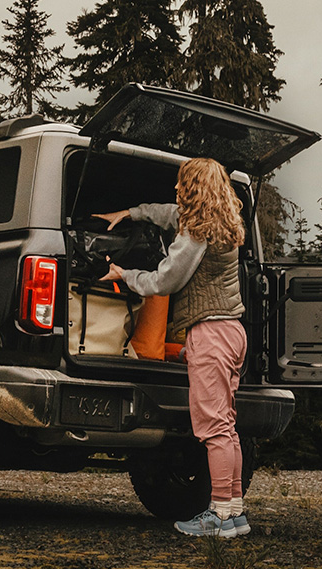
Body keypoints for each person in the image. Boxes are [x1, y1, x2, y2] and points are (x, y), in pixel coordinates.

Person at [94, 157, 249, 538]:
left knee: (213, 430)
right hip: (232, 331)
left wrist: (124, 274)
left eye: (182, 184)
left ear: (195, 188)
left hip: (210, 335)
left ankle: (220, 517)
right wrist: (131, 213)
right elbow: (169, 214)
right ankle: (234, 513)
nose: (177, 190)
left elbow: (164, 281)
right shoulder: (224, 223)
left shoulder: (195, 236)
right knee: (227, 429)